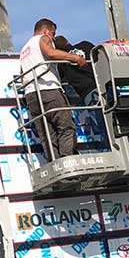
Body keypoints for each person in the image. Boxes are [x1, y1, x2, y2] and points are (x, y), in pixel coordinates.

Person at [19, 18, 86, 159]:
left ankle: (55, 164)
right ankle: (69, 160)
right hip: (48, 89)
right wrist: (75, 58)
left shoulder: (24, 49)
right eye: (53, 33)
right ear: (46, 30)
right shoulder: (43, 38)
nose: (53, 37)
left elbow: (21, 76)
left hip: (31, 95)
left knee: (47, 135)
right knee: (66, 127)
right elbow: (50, 53)